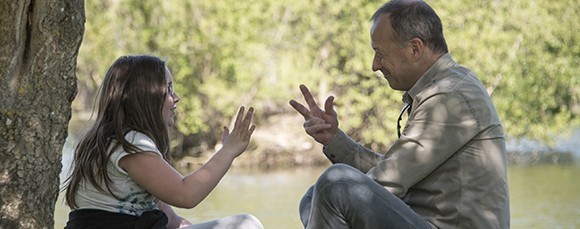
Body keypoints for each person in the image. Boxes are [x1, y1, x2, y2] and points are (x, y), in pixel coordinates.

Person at [289, 0, 510, 228]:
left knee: (333, 185)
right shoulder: (439, 89)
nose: (375, 65)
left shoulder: (450, 95)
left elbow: (384, 183)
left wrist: (344, 192)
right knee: (314, 197)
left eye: (380, 54)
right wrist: (334, 140)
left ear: (415, 48)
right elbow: (390, 173)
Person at [62, 55, 264, 229]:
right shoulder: (128, 144)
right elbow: (186, 195)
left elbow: (173, 221)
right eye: (168, 89)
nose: (176, 98)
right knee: (246, 225)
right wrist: (228, 151)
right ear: (145, 97)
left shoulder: (113, 141)